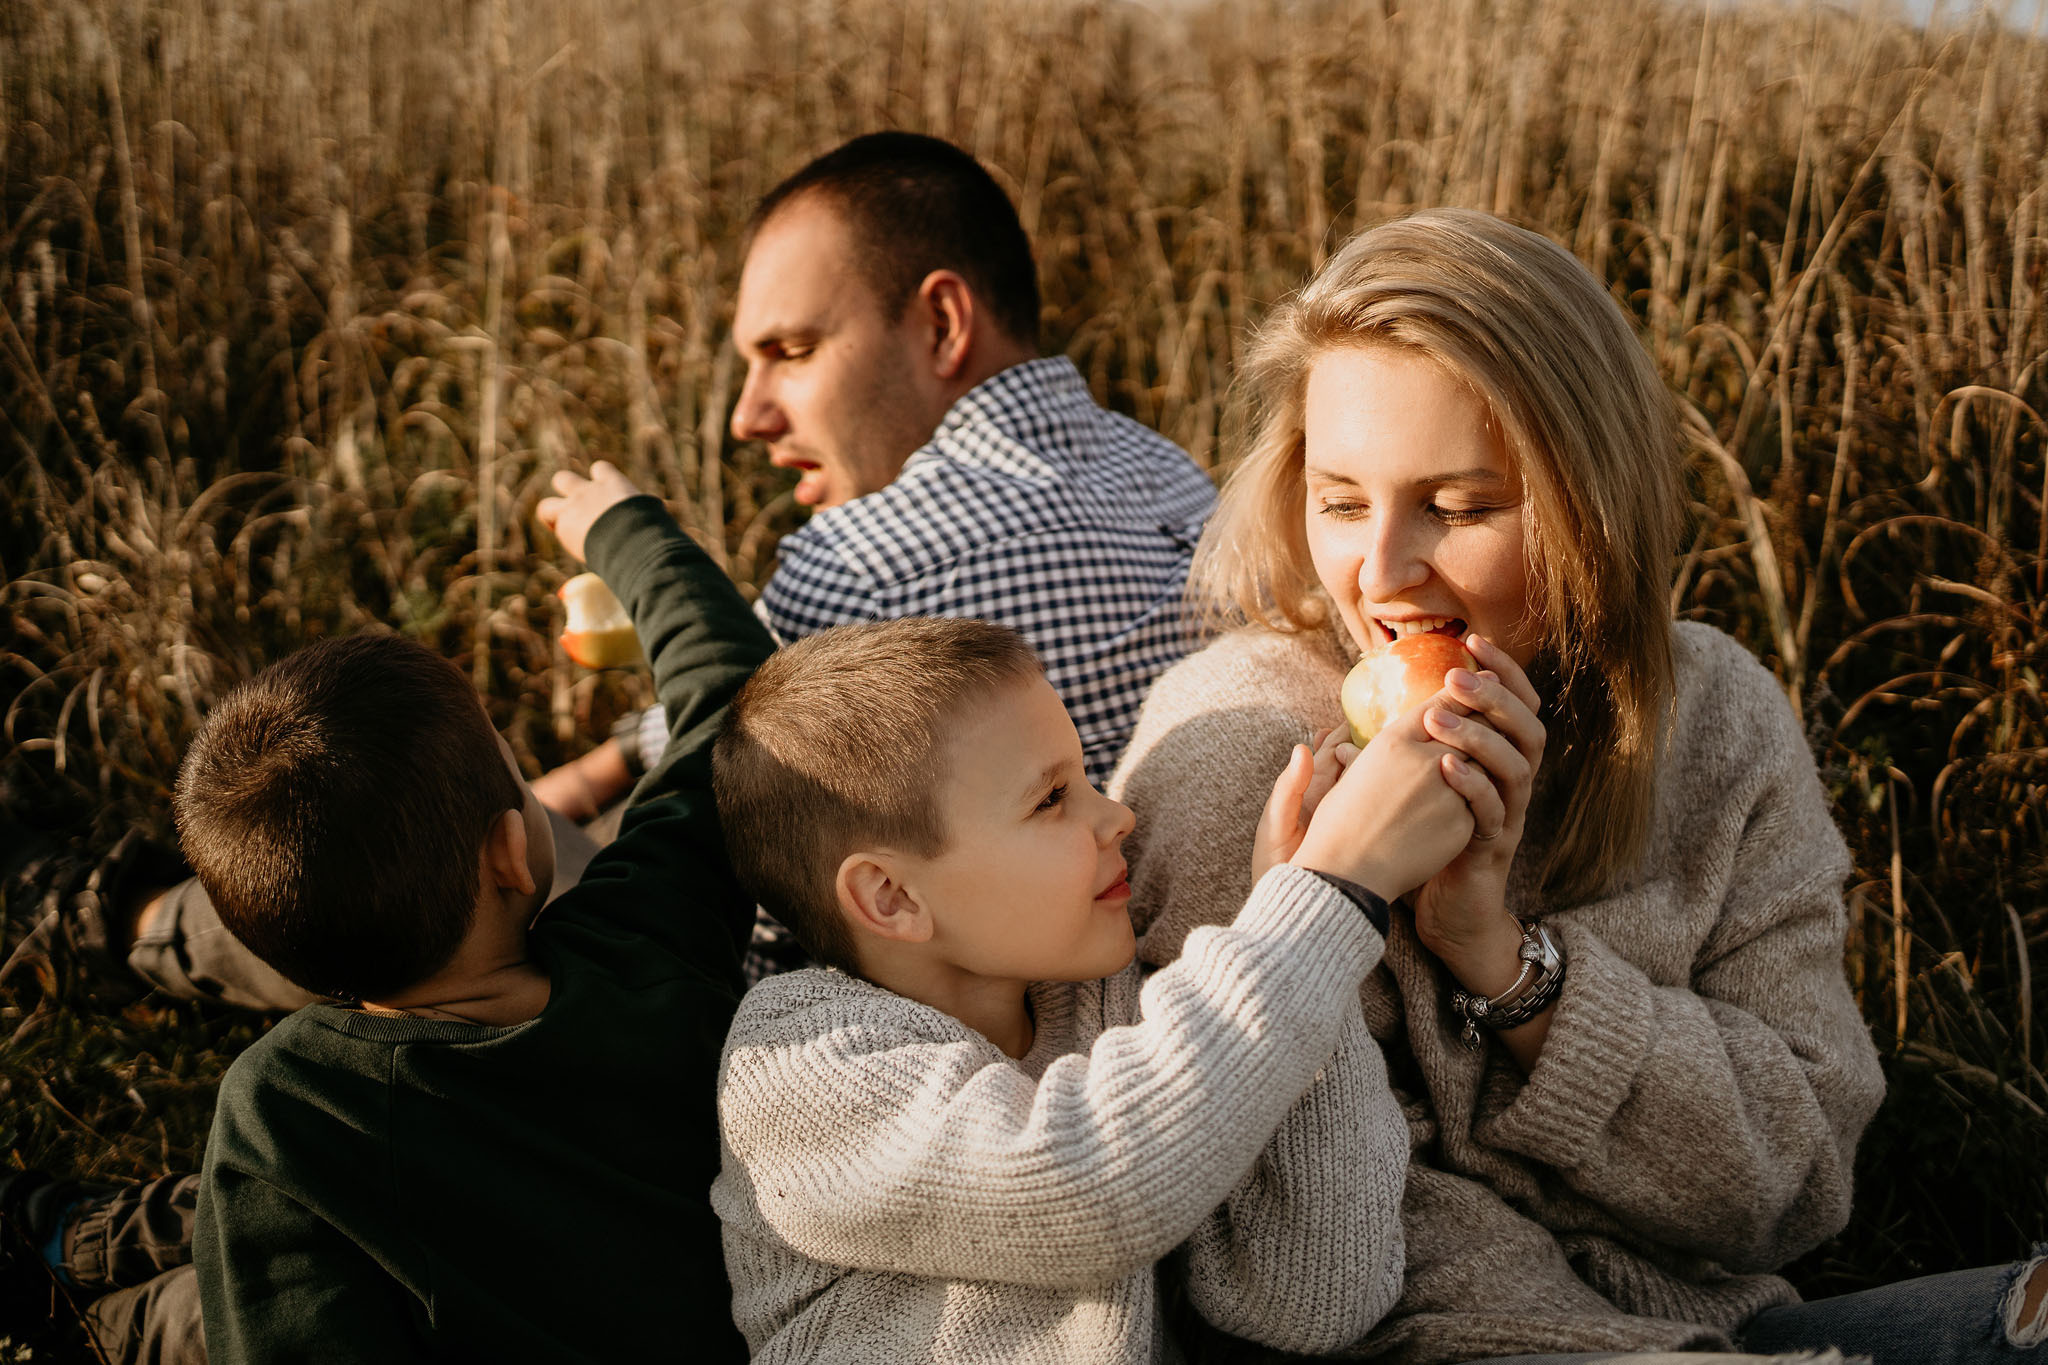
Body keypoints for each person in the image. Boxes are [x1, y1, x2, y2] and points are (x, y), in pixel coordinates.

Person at [1107, 205, 2048, 1365]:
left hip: (1738, 1329)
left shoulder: (1710, 718)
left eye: (1456, 508)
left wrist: (1506, 968)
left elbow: (1796, 1181)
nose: (1382, 574)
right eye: (1342, 502)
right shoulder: (1244, 745)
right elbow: (1286, 1260)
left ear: (1588, 507)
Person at [707, 612, 1502, 1360]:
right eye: (1052, 798)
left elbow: (1314, 1298)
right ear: (893, 898)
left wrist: (1291, 919)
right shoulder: (798, 1065)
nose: (1117, 815)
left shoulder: (1106, 1006)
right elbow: (1089, 1181)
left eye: (1088, 777)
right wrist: (1332, 896)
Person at [184, 464, 773, 1362]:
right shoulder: (648, 929)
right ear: (509, 851)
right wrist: (622, 531)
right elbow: (730, 702)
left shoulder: (287, 1108)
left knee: (184, 1317)